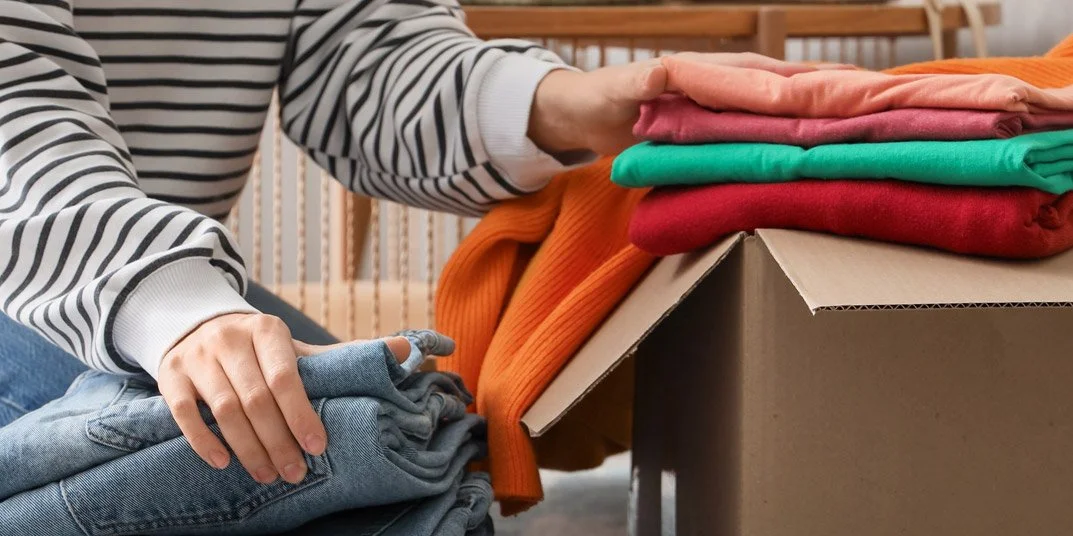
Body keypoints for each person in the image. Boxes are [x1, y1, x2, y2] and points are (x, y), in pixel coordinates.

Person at [0, 0, 814, 491]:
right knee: (262, 464)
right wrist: (174, 307)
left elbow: (369, 54)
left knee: (399, 435)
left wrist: (564, 105)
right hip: (80, 274)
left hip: (163, 281)